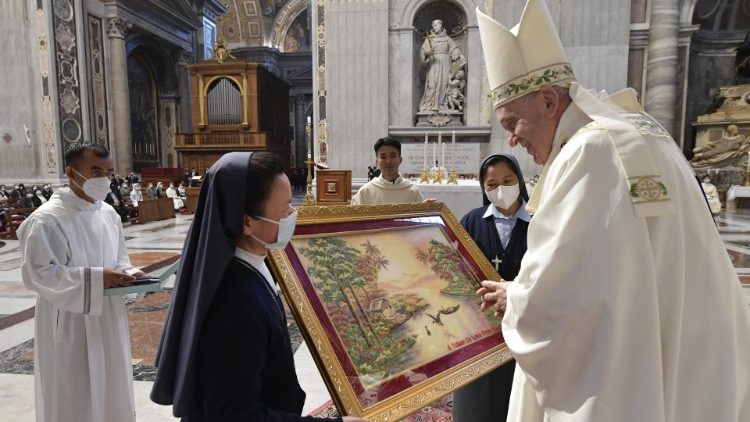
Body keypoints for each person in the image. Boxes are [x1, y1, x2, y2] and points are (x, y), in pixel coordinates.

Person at [474, 1, 750, 421]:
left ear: (549, 100)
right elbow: (613, 268)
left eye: (513, 123)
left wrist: (517, 297)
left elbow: (564, 299)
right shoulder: (642, 129)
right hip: (694, 350)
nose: (512, 141)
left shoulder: (588, 151)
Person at [150, 152, 365, 422]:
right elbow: (234, 416)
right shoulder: (235, 304)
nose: (293, 215)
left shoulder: (254, 261)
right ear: (246, 222)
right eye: (285, 208)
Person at [17, 142, 144, 422]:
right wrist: (98, 278)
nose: (103, 179)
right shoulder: (47, 219)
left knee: (112, 385)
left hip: (107, 317)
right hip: (69, 319)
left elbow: (119, 259)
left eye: (108, 172)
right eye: (95, 171)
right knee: (72, 393)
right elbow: (39, 274)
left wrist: (132, 275)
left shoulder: (108, 214)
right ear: (71, 172)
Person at [454, 154, 530, 421]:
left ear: (519, 181)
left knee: (518, 399)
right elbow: (454, 265)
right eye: (492, 184)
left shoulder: (539, 220)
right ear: (483, 188)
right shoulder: (472, 221)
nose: (501, 189)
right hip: (480, 329)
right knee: (478, 404)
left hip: (525, 323)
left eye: (508, 181)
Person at [351, 138, 424, 205]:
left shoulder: (412, 191)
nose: (388, 161)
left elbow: (421, 216)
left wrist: (428, 208)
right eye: (383, 157)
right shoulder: (366, 191)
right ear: (377, 162)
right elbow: (353, 217)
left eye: (393, 156)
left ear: (400, 160)